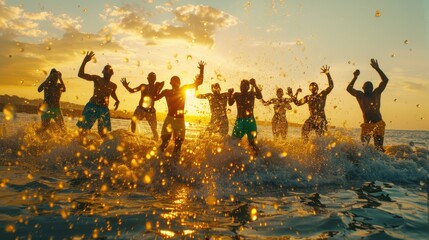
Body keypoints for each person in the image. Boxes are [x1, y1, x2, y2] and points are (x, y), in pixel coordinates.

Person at [154, 61, 205, 159]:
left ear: (179, 83)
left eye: (177, 81)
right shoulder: (167, 92)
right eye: (174, 80)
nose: (176, 82)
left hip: (179, 121)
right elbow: (154, 98)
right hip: (170, 120)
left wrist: (202, 70)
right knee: (165, 143)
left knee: (177, 146)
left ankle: (173, 165)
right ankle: (156, 161)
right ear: (170, 83)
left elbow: (199, 82)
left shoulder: (183, 89)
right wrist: (158, 88)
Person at [346, 59, 389, 151]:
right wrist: (355, 77)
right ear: (363, 88)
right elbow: (349, 89)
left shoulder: (376, 93)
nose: (369, 88)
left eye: (370, 87)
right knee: (363, 148)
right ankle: (365, 164)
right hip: (366, 125)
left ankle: (383, 163)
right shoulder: (360, 95)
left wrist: (377, 68)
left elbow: (385, 80)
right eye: (367, 87)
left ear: (373, 88)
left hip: (378, 123)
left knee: (378, 147)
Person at [76, 51, 120, 139]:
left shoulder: (113, 85)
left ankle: (101, 150)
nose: (108, 69)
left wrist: (117, 100)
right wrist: (85, 61)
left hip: (104, 109)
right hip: (92, 106)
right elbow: (80, 75)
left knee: (104, 134)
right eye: (106, 68)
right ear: (103, 71)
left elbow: (112, 93)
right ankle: (77, 148)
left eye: (110, 69)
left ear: (112, 73)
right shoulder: (97, 79)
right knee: (83, 131)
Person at [292, 65, 334, 142]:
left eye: (315, 87)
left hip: (321, 120)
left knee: (321, 139)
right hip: (312, 119)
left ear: (317, 88)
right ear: (310, 89)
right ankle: (306, 147)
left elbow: (331, 86)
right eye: (312, 87)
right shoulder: (308, 97)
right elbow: (297, 103)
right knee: (304, 131)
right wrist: (295, 93)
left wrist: (328, 74)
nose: (313, 88)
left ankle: (320, 151)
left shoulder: (322, 95)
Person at [120, 72, 164, 140]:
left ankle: (155, 141)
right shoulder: (143, 86)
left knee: (154, 129)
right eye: (150, 77)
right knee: (133, 122)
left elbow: (158, 92)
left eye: (153, 77)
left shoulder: (156, 87)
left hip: (151, 111)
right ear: (147, 78)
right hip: (141, 109)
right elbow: (132, 91)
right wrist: (126, 86)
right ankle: (133, 138)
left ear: (155, 79)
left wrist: (159, 87)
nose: (151, 79)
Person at [228, 78, 263, 155]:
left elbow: (260, 96)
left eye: (244, 86)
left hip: (250, 121)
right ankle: (237, 158)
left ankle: (257, 161)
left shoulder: (251, 94)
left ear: (248, 87)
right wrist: (230, 94)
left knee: (252, 143)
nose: (242, 87)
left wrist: (254, 85)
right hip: (240, 121)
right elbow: (230, 103)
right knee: (234, 142)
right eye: (241, 85)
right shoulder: (237, 95)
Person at [37, 68, 66, 134]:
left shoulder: (58, 86)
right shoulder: (47, 85)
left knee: (63, 129)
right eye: (53, 76)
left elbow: (64, 89)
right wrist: (48, 78)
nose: (55, 78)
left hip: (56, 109)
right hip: (47, 109)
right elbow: (39, 89)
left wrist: (61, 78)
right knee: (43, 128)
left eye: (56, 77)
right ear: (50, 77)